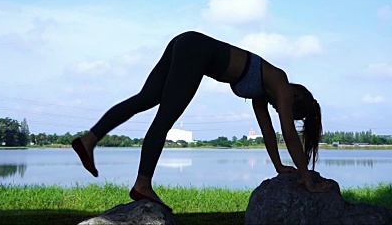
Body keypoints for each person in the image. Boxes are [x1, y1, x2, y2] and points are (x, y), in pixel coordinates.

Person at [71, 31, 331, 212]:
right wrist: (307, 178)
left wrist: (279, 165)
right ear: (295, 96)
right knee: (165, 117)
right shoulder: (282, 83)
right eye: (288, 109)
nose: (279, 108)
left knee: (146, 98)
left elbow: (268, 130)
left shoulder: (262, 91)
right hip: (196, 51)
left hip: (187, 43)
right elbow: (287, 130)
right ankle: (142, 184)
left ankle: (89, 139)